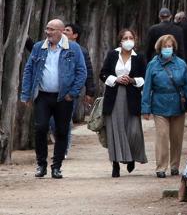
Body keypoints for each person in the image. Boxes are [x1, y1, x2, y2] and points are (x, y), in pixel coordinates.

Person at [20, 19, 87, 179]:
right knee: (40, 128)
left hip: (64, 97)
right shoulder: (38, 47)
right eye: (47, 29)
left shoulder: (73, 48)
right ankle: (41, 164)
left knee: (62, 131)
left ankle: (56, 166)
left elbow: (81, 71)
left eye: (51, 29)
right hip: (42, 96)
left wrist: (73, 93)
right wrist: (26, 94)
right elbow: (29, 70)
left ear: (61, 31)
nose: (47, 32)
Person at [141, 35, 187, 178]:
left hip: (177, 103)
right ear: (160, 48)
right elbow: (147, 87)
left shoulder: (181, 64)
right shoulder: (153, 65)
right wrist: (145, 108)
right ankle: (161, 167)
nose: (168, 49)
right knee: (162, 136)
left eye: (170, 46)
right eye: (165, 46)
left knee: (176, 137)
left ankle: (174, 165)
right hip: (159, 104)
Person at [100, 29, 148, 177]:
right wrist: (116, 79)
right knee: (115, 129)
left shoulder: (139, 57)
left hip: (132, 97)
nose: (128, 40)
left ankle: (131, 156)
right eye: (125, 38)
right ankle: (115, 164)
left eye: (131, 38)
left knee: (133, 130)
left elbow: (144, 78)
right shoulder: (112, 55)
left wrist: (132, 80)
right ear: (120, 41)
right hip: (114, 96)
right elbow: (103, 73)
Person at [48, 23, 95, 158]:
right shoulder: (54, 47)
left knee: (65, 120)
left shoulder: (81, 51)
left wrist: (89, 91)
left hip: (69, 93)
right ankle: (60, 142)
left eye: (68, 31)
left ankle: (63, 149)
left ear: (75, 35)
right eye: (63, 30)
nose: (64, 32)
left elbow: (87, 72)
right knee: (52, 121)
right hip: (51, 92)